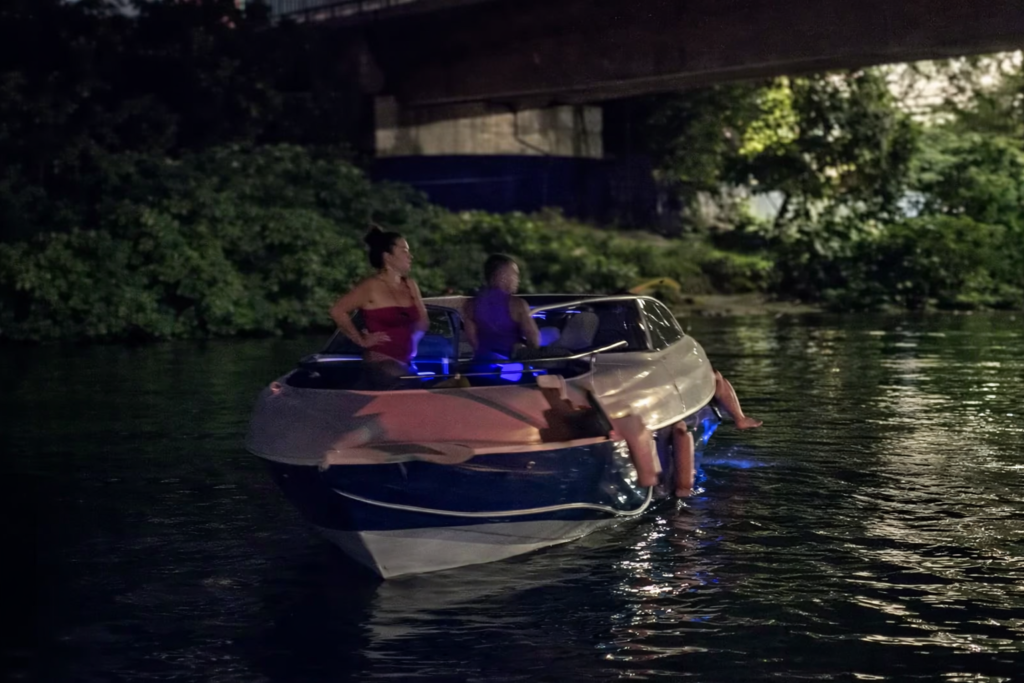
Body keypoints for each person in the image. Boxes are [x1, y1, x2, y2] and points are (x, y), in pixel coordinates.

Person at [329, 226, 428, 387]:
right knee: (410, 386)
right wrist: (361, 340)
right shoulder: (371, 286)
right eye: (404, 251)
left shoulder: (410, 285)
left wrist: (413, 343)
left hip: (406, 363)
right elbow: (337, 311)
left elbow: (423, 323)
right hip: (381, 362)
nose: (410, 256)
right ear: (388, 256)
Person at [463, 254, 540, 361]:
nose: (518, 280)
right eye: (515, 274)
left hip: (482, 363)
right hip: (513, 364)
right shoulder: (517, 304)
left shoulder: (470, 304)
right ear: (502, 276)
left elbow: (472, 339)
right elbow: (532, 335)